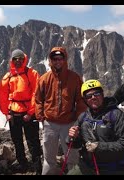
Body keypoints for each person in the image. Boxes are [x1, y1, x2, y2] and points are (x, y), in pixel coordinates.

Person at [35, 47, 87, 175]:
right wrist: (40, 116)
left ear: (65, 60)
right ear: (50, 60)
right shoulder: (44, 79)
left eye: (60, 58)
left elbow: (81, 100)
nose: (57, 61)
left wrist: (77, 120)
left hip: (69, 123)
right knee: (48, 158)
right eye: (54, 59)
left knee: (72, 156)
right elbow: (37, 99)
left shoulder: (74, 78)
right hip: (49, 124)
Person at [67, 79, 124, 175]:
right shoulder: (83, 117)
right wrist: (72, 137)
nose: (93, 97)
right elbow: (75, 144)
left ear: (102, 94)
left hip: (113, 168)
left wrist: (99, 147)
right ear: (85, 100)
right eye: (89, 96)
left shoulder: (116, 115)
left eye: (96, 93)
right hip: (87, 166)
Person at [0, 49, 43, 174]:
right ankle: (22, 163)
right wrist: (6, 113)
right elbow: (2, 96)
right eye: (15, 59)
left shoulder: (32, 73)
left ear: (24, 59)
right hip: (14, 113)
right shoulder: (8, 77)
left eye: (20, 59)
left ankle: (37, 166)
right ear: (11, 60)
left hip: (28, 112)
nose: (18, 61)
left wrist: (30, 112)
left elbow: (36, 93)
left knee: (33, 140)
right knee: (17, 140)